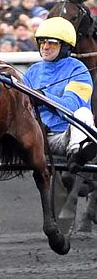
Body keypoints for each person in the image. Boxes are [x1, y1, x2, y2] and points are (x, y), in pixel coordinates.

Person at [23, 17, 97, 194]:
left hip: (64, 137)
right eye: (42, 42)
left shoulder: (78, 70)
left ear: (65, 46)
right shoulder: (33, 71)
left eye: (52, 43)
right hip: (35, 138)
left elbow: (71, 105)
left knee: (84, 113)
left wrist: (42, 97)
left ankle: (76, 158)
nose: (45, 47)